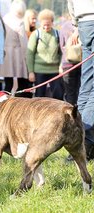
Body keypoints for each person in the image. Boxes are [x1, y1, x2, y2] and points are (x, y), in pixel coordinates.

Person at [67, 0, 94, 159]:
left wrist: (76, 25)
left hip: (83, 23)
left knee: (86, 86)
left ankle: (75, 141)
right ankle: (84, 143)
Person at [0, 0, 32, 97]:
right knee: (22, 82)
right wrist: (27, 57)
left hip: (5, 54)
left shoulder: (5, 18)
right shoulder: (20, 22)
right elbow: (24, 43)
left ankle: (3, 101)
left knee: (8, 83)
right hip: (18, 54)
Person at [26, 9, 63, 100]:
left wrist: (61, 66)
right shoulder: (36, 34)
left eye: (48, 25)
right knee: (39, 97)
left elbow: (62, 52)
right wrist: (31, 72)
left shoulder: (57, 34)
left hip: (54, 70)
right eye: (44, 25)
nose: (46, 27)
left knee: (58, 95)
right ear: (40, 23)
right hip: (39, 70)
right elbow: (29, 53)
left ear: (52, 22)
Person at [59, 14, 81, 105]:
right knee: (82, 90)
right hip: (83, 62)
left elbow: (61, 45)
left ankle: (70, 114)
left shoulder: (64, 27)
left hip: (67, 63)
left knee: (69, 92)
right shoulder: (83, 25)